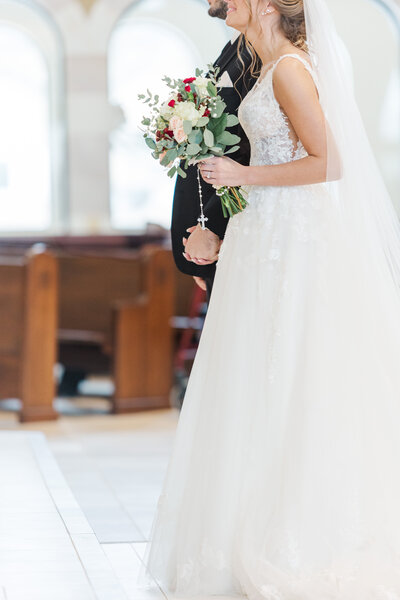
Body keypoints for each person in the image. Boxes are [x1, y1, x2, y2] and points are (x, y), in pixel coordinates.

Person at [139, 0, 400, 597]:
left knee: (292, 382)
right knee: (256, 385)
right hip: (265, 239)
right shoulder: (261, 66)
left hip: (294, 244)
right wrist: (219, 226)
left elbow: (331, 161)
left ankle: (296, 537)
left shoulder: (289, 69)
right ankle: (245, 529)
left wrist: (242, 175)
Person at [171, 0, 259, 301]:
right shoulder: (235, 47)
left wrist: (211, 227)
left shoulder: (261, 55)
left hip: (226, 230)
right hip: (207, 234)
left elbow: (248, 148)